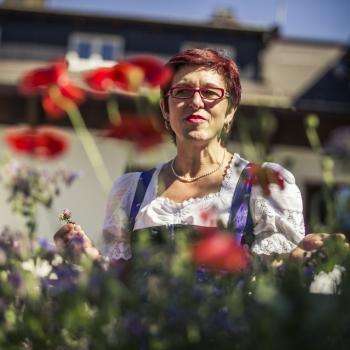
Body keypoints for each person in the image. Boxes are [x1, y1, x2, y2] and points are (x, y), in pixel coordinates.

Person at [54, 48, 333, 264]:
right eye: (183, 91)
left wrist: (301, 257)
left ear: (230, 110)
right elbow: (119, 285)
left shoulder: (263, 185)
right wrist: (88, 256)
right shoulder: (131, 191)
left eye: (210, 92)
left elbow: (274, 282)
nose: (196, 101)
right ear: (166, 109)